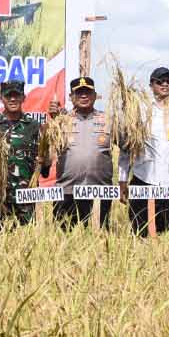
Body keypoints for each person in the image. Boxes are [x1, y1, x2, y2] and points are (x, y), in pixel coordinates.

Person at [123, 67, 169, 235]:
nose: (165, 84)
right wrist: (123, 178)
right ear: (151, 85)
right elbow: (127, 147)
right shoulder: (139, 111)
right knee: (141, 232)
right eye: (160, 81)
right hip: (144, 178)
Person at [52, 76, 114, 227]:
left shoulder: (108, 120)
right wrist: (53, 121)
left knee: (99, 242)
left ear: (94, 95)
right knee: (64, 241)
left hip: (99, 192)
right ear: (71, 97)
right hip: (67, 191)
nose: (84, 96)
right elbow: (46, 153)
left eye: (88, 92)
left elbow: (127, 148)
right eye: (79, 93)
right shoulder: (61, 121)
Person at [0, 79, 48, 225]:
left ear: (23, 98)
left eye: (17, 95)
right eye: (8, 96)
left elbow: (44, 168)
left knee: (27, 241)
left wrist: (45, 160)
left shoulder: (34, 127)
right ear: (1, 99)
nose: (13, 99)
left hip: (26, 196)